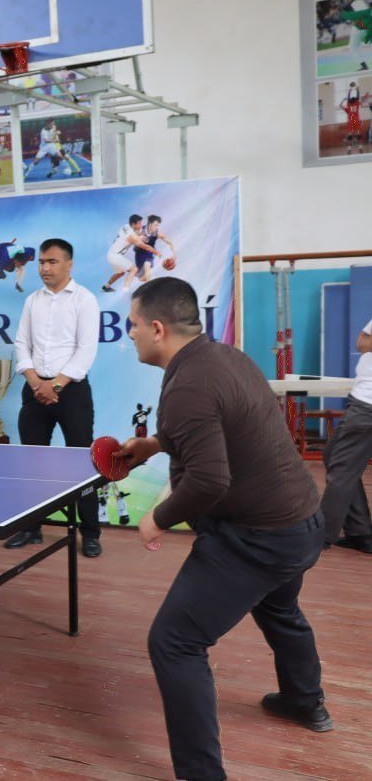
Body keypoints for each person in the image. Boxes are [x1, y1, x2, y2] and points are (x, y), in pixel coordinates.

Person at [115, 277, 331, 781]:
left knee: (174, 642)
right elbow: (217, 424)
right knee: (279, 608)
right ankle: (304, 702)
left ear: (157, 328)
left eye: (133, 325)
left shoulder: (187, 385)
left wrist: (156, 518)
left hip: (257, 539)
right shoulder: (222, 358)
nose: (130, 334)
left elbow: (210, 480)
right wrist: (153, 445)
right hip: (301, 523)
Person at [6, 239, 102, 556]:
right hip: (35, 390)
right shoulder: (32, 301)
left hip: (72, 392)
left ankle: (90, 533)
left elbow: (86, 349)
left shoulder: (85, 300)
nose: (45, 268)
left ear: (69, 264)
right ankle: (31, 527)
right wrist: (35, 381)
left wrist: (56, 385)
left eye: (52, 262)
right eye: (41, 262)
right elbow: (21, 344)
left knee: (82, 464)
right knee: (32, 462)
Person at [319, 314, 372, 552]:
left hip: (366, 405)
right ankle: (360, 532)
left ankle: (321, 535)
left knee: (341, 469)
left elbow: (362, 342)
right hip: (363, 402)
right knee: (333, 455)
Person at [102, 214, 146, 292]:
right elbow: (136, 239)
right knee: (133, 269)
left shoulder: (126, 226)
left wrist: (140, 234)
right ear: (133, 224)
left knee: (121, 273)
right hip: (115, 256)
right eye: (139, 223)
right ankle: (125, 291)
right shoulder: (131, 234)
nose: (141, 225)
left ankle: (106, 287)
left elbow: (136, 234)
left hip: (110, 254)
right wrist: (142, 237)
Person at [133, 214, 177, 285]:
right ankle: (146, 277)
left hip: (149, 253)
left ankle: (149, 287)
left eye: (158, 226)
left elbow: (170, 243)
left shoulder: (158, 234)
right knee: (142, 278)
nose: (157, 227)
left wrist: (174, 255)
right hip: (139, 254)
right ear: (150, 224)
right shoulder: (140, 231)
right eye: (156, 225)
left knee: (147, 264)